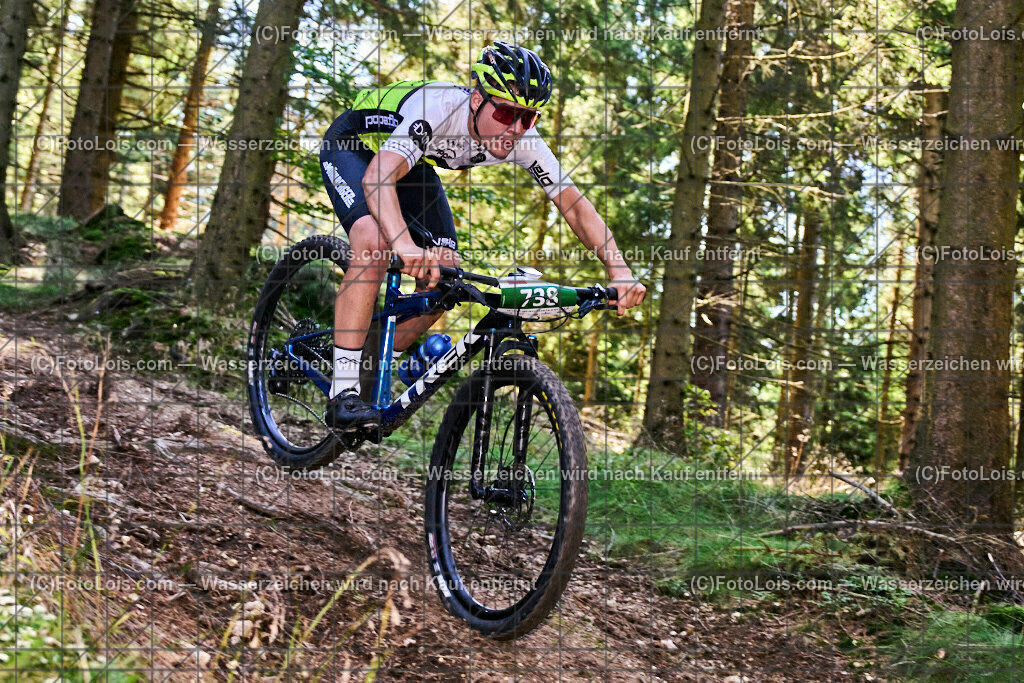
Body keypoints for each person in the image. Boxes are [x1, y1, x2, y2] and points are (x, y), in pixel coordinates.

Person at [319, 41, 646, 429]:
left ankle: (370, 353)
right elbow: (377, 178)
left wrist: (620, 271)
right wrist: (404, 245)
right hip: (354, 146)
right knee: (373, 241)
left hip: (412, 159)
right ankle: (342, 392)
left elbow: (573, 204)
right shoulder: (438, 110)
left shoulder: (523, 138)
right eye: (506, 112)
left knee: (446, 276)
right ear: (477, 99)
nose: (515, 129)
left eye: (528, 117)